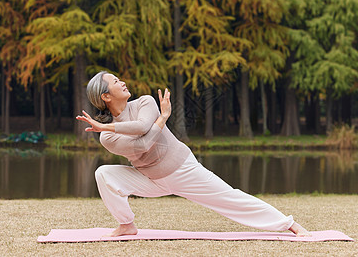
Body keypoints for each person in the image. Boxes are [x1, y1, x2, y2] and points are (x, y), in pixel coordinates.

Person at [76, 71, 311, 237]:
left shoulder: (145, 103)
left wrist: (108, 125)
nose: (123, 82)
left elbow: (142, 128)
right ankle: (126, 224)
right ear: (106, 96)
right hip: (151, 179)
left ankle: (289, 224)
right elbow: (143, 145)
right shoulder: (107, 138)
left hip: (183, 169)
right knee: (104, 173)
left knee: (230, 198)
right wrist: (162, 118)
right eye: (116, 82)